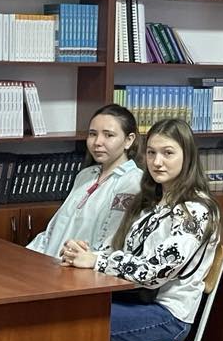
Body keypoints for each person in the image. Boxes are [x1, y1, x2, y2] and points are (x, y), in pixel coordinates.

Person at [63, 118, 220, 341]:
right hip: (133, 299)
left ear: (187, 156)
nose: (157, 162)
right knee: (59, 310)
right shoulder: (150, 201)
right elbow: (122, 250)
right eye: (151, 152)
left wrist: (97, 261)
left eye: (168, 153)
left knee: (69, 326)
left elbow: (154, 273)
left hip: (167, 316)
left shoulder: (196, 210)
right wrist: (85, 253)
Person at [29, 104, 142, 258]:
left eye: (108, 135)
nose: (97, 142)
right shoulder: (86, 175)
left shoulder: (133, 182)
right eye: (92, 134)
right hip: (52, 262)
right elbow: (54, 230)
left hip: (84, 267)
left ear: (129, 140)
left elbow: (112, 243)